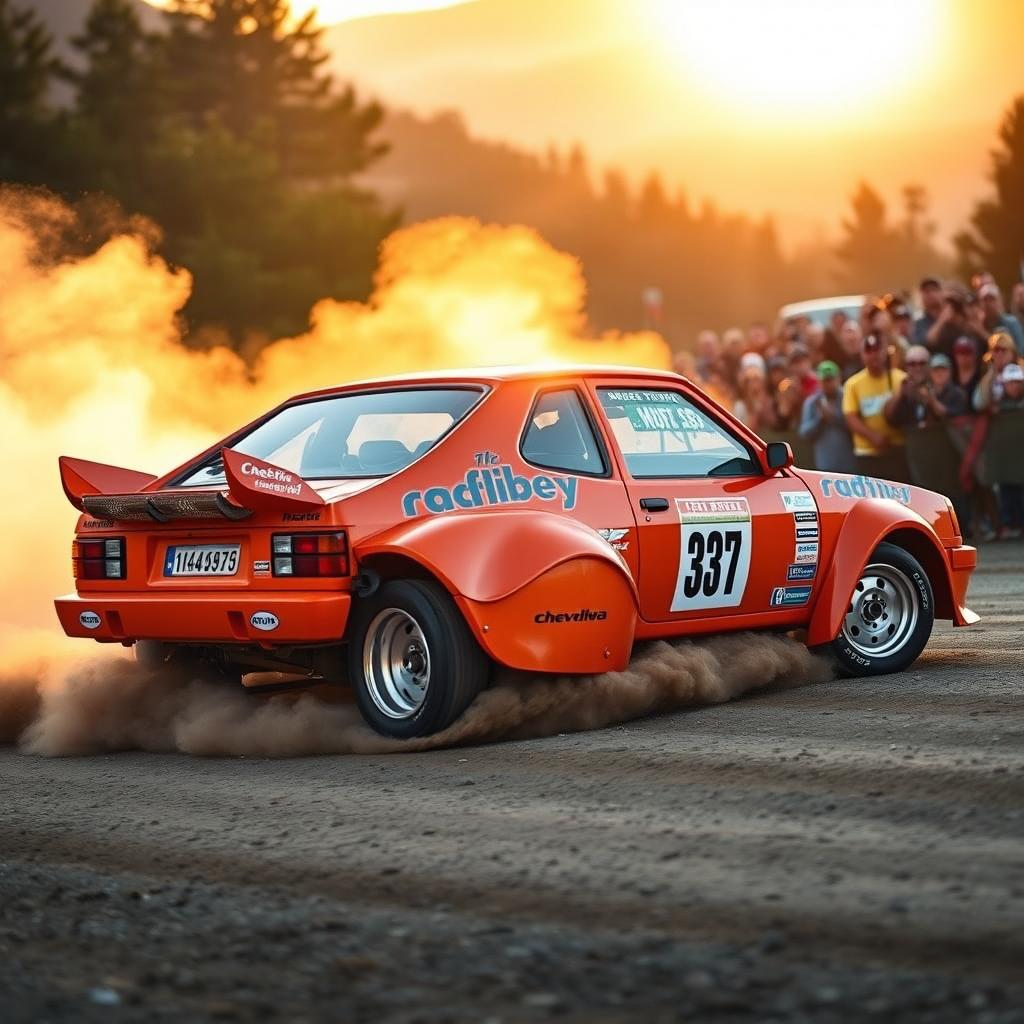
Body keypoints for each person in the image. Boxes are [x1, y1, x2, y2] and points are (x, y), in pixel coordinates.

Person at [842, 333, 909, 481]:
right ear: (862, 355)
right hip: (868, 453)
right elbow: (851, 417)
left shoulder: (901, 379)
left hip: (897, 449)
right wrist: (873, 437)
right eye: (868, 351)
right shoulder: (853, 384)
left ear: (885, 352)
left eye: (877, 350)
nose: (874, 355)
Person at [886, 347, 967, 428]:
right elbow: (891, 419)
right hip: (913, 438)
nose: (917, 368)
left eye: (922, 363)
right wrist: (900, 395)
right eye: (912, 364)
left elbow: (951, 418)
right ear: (906, 366)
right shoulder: (905, 388)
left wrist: (931, 400)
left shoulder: (949, 392)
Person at [798, 360, 856, 473]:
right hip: (825, 466)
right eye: (825, 380)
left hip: (850, 464)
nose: (828, 384)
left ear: (838, 378)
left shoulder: (848, 397)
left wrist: (834, 417)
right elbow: (804, 433)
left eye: (831, 379)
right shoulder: (812, 402)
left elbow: (856, 426)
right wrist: (820, 420)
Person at [989, 363, 1024, 538]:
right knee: (1007, 490)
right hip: (1005, 458)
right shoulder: (997, 403)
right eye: (1011, 382)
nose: (1014, 385)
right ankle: (1009, 525)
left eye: (1017, 382)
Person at [926, 291, 986, 360]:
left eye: (953, 308)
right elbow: (930, 340)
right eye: (946, 307)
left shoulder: (970, 326)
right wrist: (942, 319)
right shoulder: (943, 328)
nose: (949, 311)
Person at [974, 331, 1021, 411]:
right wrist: (992, 372)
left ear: (1012, 353)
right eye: (996, 350)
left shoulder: (1021, 370)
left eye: (1003, 350)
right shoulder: (989, 375)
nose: (1000, 354)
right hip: (999, 421)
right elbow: (978, 404)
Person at [978, 282, 1024, 350]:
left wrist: (981, 332)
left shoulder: (1011, 323)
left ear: (999, 301)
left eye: (992, 299)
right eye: (985, 300)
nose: (988, 304)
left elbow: (1020, 351)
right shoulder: (978, 324)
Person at [952, 335, 984, 412]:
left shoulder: (982, 374)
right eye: (960, 353)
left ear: (975, 354)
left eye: (967, 353)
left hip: (979, 418)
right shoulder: (951, 374)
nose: (964, 357)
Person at [913, 277, 944, 345]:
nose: (931, 294)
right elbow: (927, 342)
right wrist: (943, 319)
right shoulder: (920, 322)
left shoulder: (953, 314)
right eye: (927, 291)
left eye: (934, 290)